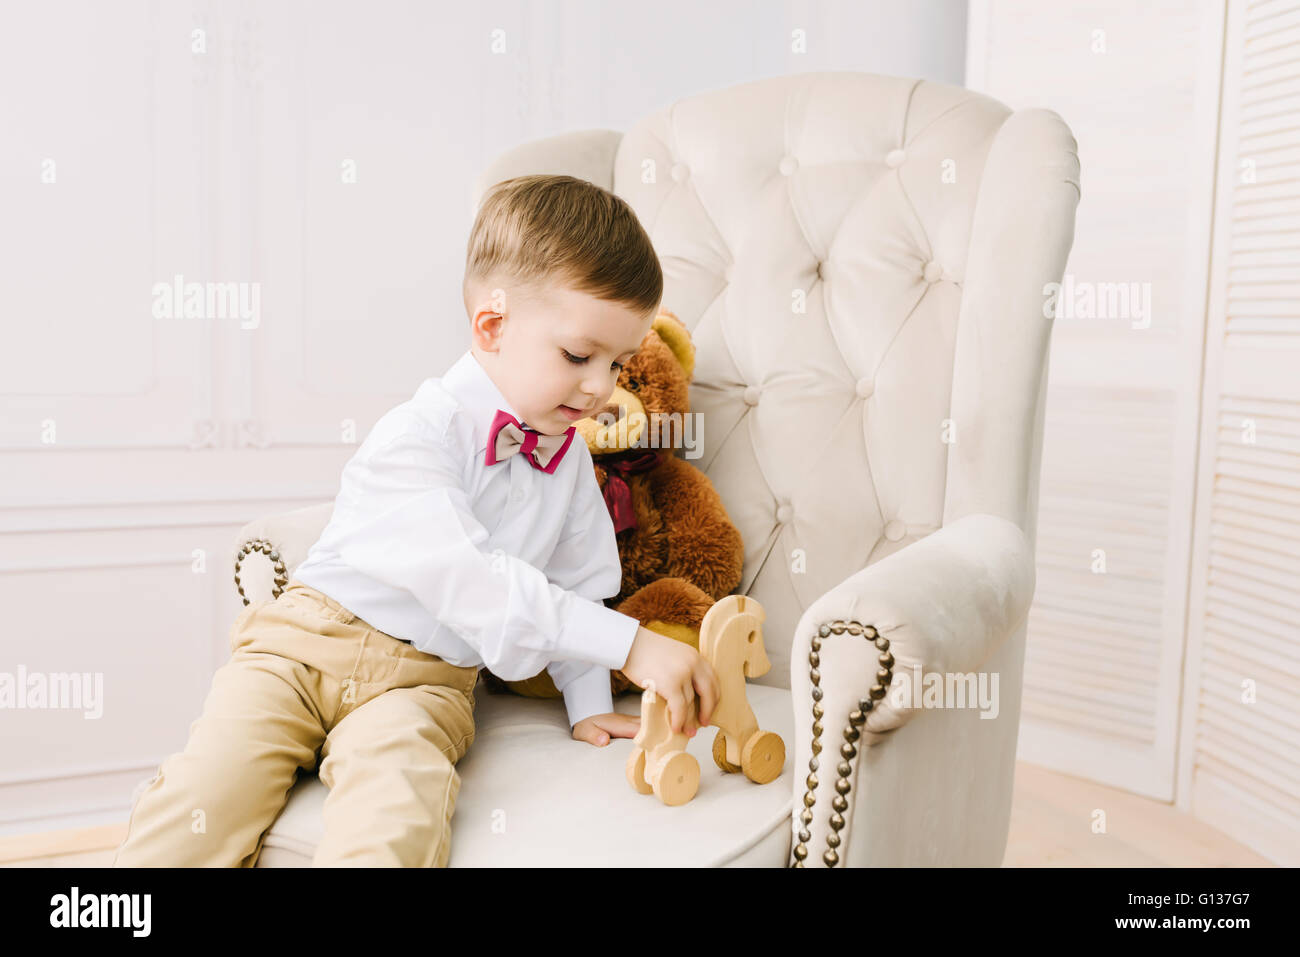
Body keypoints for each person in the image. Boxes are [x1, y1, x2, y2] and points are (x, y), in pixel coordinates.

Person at [112, 174, 719, 868]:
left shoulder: (571, 465)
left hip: (427, 683)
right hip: (303, 649)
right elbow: (470, 579)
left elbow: (580, 581)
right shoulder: (417, 433)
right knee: (203, 801)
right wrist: (632, 646)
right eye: (579, 355)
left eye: (617, 362)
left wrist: (585, 699)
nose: (600, 386)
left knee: (396, 820)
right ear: (491, 326)